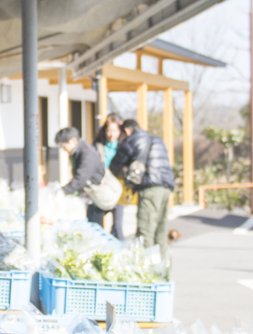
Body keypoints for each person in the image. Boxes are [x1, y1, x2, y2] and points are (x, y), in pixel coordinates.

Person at [111, 117, 177, 267]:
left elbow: (115, 164)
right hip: (165, 186)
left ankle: (147, 270)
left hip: (150, 187)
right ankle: (163, 268)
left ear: (126, 130)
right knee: (161, 229)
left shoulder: (135, 139)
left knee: (145, 230)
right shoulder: (156, 139)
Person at [54, 126, 118, 232]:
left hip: (99, 194)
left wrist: (62, 191)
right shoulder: (78, 152)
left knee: (95, 229)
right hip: (92, 194)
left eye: (63, 145)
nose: (63, 149)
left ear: (73, 141)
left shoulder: (86, 153)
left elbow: (80, 178)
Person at [94, 114, 127, 239]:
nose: (111, 134)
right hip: (102, 187)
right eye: (108, 130)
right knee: (98, 225)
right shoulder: (99, 145)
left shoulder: (124, 145)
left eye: (114, 131)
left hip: (118, 187)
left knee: (117, 226)